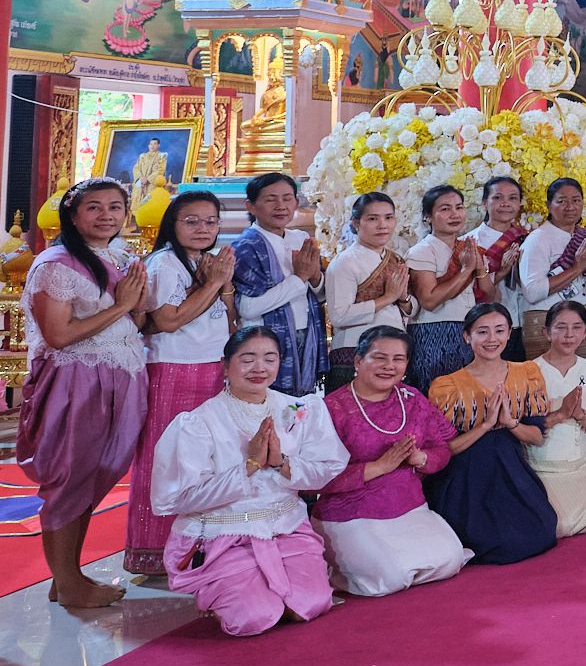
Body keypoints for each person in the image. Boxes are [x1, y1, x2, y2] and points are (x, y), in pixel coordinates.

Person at [150, 326, 347, 636]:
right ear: (225, 366)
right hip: (223, 533)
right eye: (248, 359)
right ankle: (223, 593)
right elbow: (177, 497)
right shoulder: (201, 421)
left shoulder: (297, 409)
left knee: (308, 606)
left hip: (285, 527)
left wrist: (281, 463)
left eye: (270, 358)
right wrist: (250, 465)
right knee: (252, 619)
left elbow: (329, 465)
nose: (260, 368)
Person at [19, 178, 149, 608]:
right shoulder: (56, 263)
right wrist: (122, 306)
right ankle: (69, 583)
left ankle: (67, 576)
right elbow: (59, 335)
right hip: (76, 382)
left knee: (94, 477)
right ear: (72, 216)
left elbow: (138, 322)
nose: (107, 215)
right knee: (69, 478)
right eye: (95, 207)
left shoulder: (118, 256)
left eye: (116, 207)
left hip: (119, 377)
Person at [126, 191, 237, 576]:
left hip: (208, 366)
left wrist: (221, 285)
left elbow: (224, 316)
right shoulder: (165, 263)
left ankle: (194, 547)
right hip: (173, 368)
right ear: (173, 224)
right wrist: (215, 283)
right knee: (167, 458)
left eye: (211, 221)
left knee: (204, 460)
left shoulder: (201, 262)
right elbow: (169, 321)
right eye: (192, 220)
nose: (203, 228)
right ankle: (153, 550)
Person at [315, 327, 472, 597]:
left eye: (398, 359)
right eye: (379, 358)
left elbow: (441, 448)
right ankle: (338, 569)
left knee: (451, 559)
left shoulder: (412, 399)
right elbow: (313, 479)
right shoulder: (331, 408)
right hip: (351, 512)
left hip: (407, 505)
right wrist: (378, 467)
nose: (389, 366)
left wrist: (421, 458)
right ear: (357, 361)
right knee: (390, 577)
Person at [425, 303, 557, 564]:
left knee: (540, 531)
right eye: (482, 332)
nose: (492, 339)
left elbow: (537, 436)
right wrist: (484, 426)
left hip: (511, 467)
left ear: (510, 333)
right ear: (467, 336)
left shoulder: (527, 373)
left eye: (499, 330)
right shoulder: (446, 385)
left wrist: (510, 423)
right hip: (468, 474)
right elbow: (445, 449)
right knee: (483, 538)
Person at [232, 171, 326, 396]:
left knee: (301, 408)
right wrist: (299, 278)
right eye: (270, 199)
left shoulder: (300, 238)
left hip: (305, 333)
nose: (281, 205)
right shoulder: (246, 246)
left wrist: (314, 278)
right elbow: (248, 308)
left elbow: (319, 295)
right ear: (251, 206)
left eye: (287, 198)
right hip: (264, 341)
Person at [527, 299, 586, 536]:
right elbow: (522, 429)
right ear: (546, 331)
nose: (568, 335)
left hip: (582, 465)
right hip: (543, 468)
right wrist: (560, 414)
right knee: (553, 527)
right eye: (560, 327)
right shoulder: (529, 372)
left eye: (576, 328)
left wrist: (580, 414)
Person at [323, 192, 411, 390]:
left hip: (392, 354)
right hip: (353, 352)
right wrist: (388, 297)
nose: (383, 225)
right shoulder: (345, 262)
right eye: (373, 219)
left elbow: (404, 310)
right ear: (356, 223)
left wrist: (403, 299)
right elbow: (339, 316)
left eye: (388, 218)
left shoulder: (395, 259)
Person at [407, 185, 482, 388]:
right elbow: (429, 301)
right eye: (445, 209)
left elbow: (489, 295)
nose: (454, 214)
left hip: (467, 331)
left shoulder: (467, 247)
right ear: (427, 217)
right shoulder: (422, 251)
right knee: (435, 396)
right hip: (433, 332)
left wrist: (479, 268)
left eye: (459, 207)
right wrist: (466, 270)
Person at [519, 178, 586, 358]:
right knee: (549, 383)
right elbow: (532, 291)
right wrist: (577, 268)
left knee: (584, 380)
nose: (570, 207)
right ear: (549, 205)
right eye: (561, 201)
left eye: (576, 201)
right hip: (547, 319)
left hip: (584, 317)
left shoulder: (584, 237)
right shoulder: (538, 239)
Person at [465, 174, 530, 357]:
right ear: (485, 202)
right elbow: (467, 288)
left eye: (512, 198)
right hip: (487, 329)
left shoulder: (528, 239)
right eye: (498, 197)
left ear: (519, 204)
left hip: (525, 323)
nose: (505, 203)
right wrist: (501, 271)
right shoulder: (469, 242)